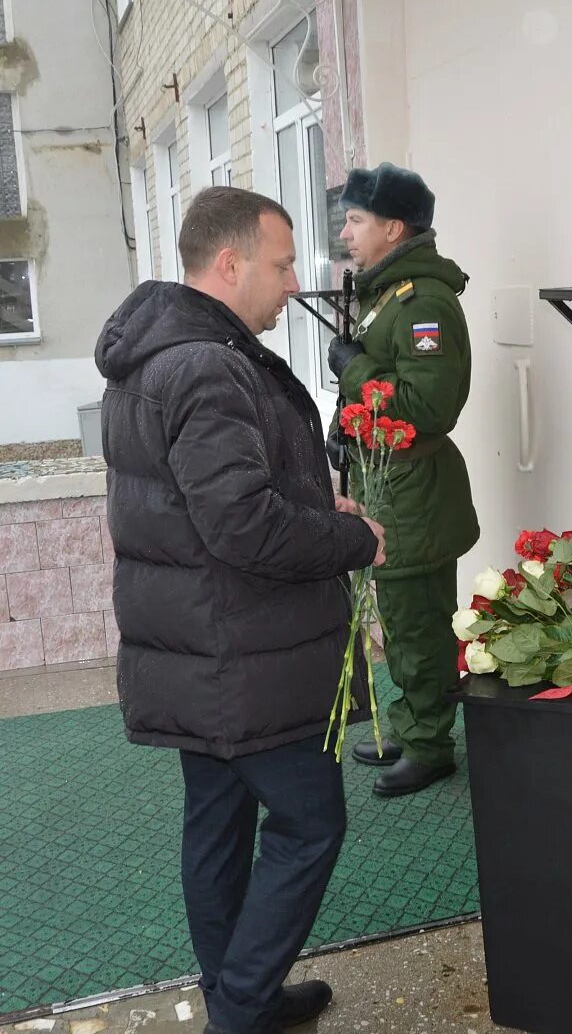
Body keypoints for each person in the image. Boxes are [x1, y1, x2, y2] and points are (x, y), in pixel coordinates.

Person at [96, 185, 385, 1034]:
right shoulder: (207, 364)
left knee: (218, 826)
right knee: (309, 824)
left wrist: (309, 499)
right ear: (229, 264)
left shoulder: (164, 354)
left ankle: (235, 993)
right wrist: (357, 541)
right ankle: (243, 1007)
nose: (292, 282)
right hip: (245, 653)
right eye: (281, 263)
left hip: (205, 648)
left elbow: (209, 502)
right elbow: (241, 526)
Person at [329, 162, 479, 798]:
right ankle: (409, 723)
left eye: (356, 220)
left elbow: (427, 405)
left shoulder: (424, 304)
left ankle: (430, 745)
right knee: (397, 617)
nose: (345, 233)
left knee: (418, 623)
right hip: (387, 480)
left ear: (394, 228)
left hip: (414, 490)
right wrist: (349, 420)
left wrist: (355, 369)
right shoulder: (385, 292)